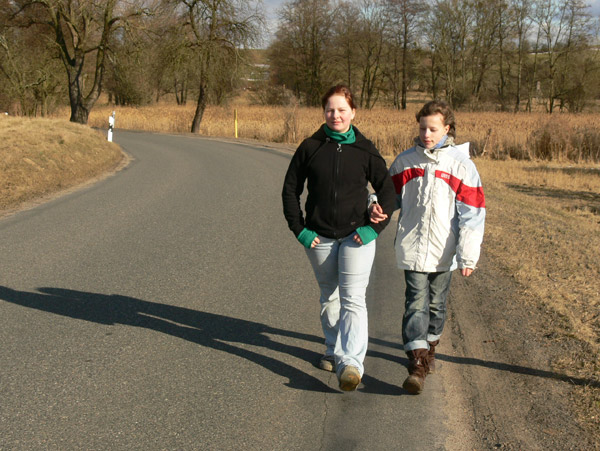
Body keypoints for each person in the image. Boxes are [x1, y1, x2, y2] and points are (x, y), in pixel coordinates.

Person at [282, 85, 396, 391]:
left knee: (353, 299)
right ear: (324, 112)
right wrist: (301, 230)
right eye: (330, 110)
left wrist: (373, 228)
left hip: (357, 236)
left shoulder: (365, 149)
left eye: (342, 110)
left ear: (353, 112)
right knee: (329, 296)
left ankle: (351, 364)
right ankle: (332, 350)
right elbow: (290, 191)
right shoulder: (310, 147)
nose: (336, 115)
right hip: (319, 237)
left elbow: (388, 191)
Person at [370, 100, 486, 394]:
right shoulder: (405, 161)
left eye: (433, 128)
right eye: (422, 127)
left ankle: (430, 347)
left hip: (444, 252)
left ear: (447, 129)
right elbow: (388, 196)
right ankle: (418, 364)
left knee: (436, 306)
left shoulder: (462, 166)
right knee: (416, 304)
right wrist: (373, 206)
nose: (426, 134)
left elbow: (473, 214)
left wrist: (468, 256)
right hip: (412, 247)